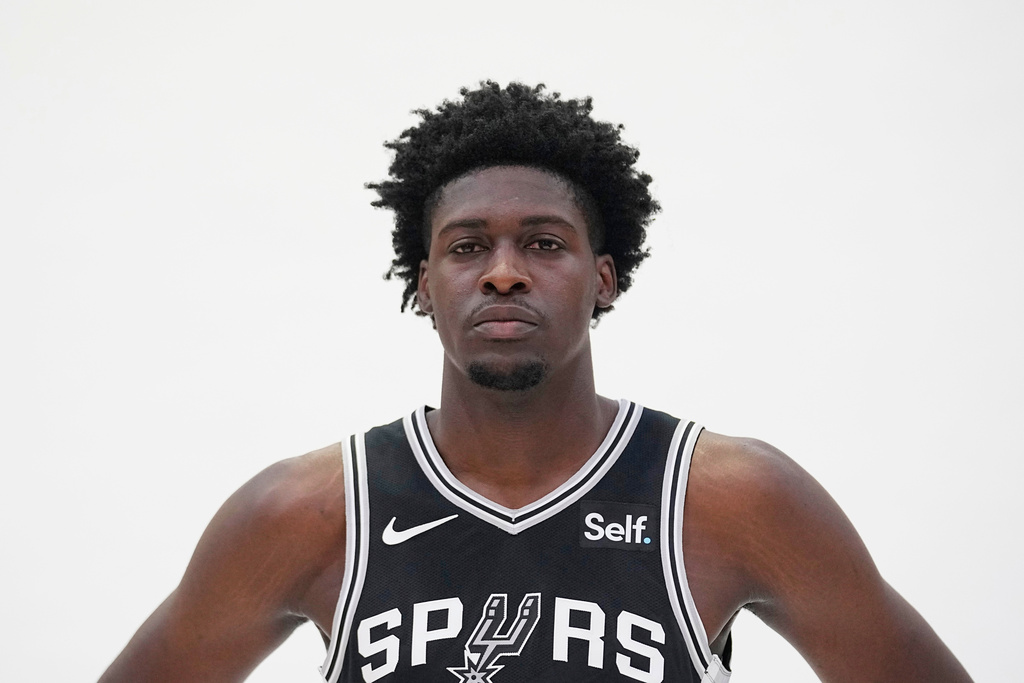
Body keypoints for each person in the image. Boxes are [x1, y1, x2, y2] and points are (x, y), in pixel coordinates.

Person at [99, 82, 973, 683]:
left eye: (545, 244)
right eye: (468, 246)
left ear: (604, 278)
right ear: (421, 283)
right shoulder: (306, 511)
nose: (505, 273)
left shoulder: (731, 499)